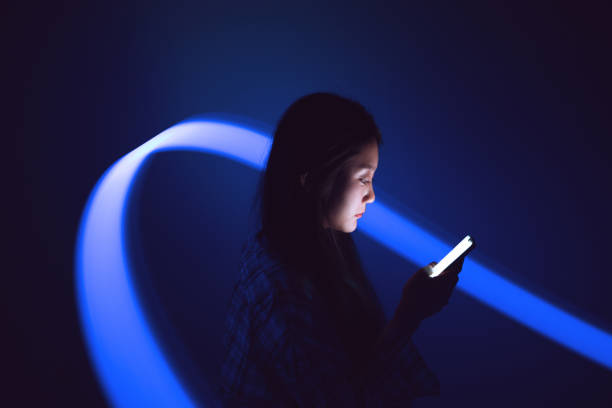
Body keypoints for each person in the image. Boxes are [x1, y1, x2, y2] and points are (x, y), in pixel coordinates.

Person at [216, 92, 464, 407]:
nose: (372, 195)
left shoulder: (315, 250)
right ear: (312, 178)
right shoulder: (281, 293)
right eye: (364, 179)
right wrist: (409, 315)